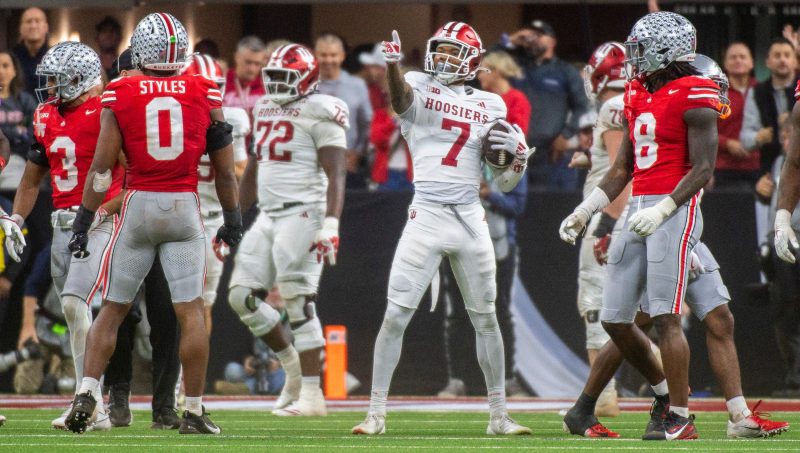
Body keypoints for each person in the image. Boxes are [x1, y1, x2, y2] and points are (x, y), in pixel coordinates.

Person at [563, 55, 789, 440]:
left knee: (718, 317)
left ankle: (738, 416)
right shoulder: (668, 102)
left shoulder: (670, 105)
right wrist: (596, 214)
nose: (717, 96)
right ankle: (667, 406)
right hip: (657, 221)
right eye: (714, 87)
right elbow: (643, 170)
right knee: (640, 319)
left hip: (675, 224)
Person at [63, 12, 242, 435]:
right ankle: (193, 411)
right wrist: (233, 219)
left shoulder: (120, 90)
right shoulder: (203, 88)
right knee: (190, 311)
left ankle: (87, 392)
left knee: (113, 309)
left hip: (138, 204)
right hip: (183, 206)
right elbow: (225, 171)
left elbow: (101, 169)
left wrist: (84, 220)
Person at [352, 23, 534, 436]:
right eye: (442, 49)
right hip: (427, 213)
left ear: (473, 60)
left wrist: (517, 160)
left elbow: (505, 183)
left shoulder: (492, 104)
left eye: (455, 52)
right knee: (395, 314)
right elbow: (401, 101)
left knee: (486, 319)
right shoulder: (416, 83)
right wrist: (394, 66)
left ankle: (499, 416)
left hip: (470, 216)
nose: (446, 58)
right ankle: (375, 414)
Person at [559, 12, 718, 440]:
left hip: (674, 207)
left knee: (665, 316)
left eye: (641, 48)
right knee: (615, 318)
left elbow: (704, 168)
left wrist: (664, 209)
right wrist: (586, 210)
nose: (634, 58)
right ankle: (666, 395)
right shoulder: (635, 92)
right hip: (638, 208)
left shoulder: (694, 91)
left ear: (668, 50)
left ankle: (679, 417)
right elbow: (621, 168)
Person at [8, 41, 122, 431]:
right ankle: (94, 404)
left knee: (74, 303)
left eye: (60, 80)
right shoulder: (45, 115)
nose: (52, 88)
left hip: (98, 220)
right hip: (61, 221)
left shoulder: (107, 111)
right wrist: (16, 218)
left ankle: (88, 401)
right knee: (73, 314)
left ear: (82, 79)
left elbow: (133, 177)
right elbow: (31, 178)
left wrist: (103, 211)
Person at [228, 43, 347, 417]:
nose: (278, 84)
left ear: (307, 79)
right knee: (241, 296)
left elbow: (337, 173)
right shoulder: (264, 106)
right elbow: (254, 167)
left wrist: (331, 222)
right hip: (268, 214)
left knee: (298, 300)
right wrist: (233, 219)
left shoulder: (322, 109)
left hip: (304, 213)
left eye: (286, 77)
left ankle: (312, 396)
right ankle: (293, 369)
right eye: (274, 76)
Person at [100, 48, 182, 430]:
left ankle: (165, 404)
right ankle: (118, 392)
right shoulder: (109, 109)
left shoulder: (164, 110)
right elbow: (101, 168)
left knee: (167, 313)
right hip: (122, 224)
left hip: (159, 217)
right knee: (120, 312)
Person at [569, 41, 628, 417]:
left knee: (593, 304)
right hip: (634, 214)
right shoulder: (638, 101)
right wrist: (591, 159)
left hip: (611, 214)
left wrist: (608, 223)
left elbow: (623, 172)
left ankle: (603, 396)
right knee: (635, 311)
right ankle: (664, 375)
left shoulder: (613, 106)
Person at [182, 54, 250, 332]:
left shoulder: (167, 116)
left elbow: (241, 172)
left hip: (202, 219)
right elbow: (240, 172)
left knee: (200, 304)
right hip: (186, 217)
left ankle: (188, 366)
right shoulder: (231, 119)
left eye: (215, 87)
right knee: (192, 304)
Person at [496, 19, 588, 189]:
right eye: (532, 34)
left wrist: (566, 135)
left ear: (552, 41)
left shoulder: (565, 71)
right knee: (512, 198)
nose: (534, 38)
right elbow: (488, 64)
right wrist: (511, 40)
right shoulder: (517, 67)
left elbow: (581, 106)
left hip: (549, 153)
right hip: (515, 151)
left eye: (540, 35)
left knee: (545, 202)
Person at [315, 33, 373, 188]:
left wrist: (358, 153)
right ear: (316, 56)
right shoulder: (307, 85)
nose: (328, 60)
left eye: (333, 55)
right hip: (312, 166)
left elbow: (366, 123)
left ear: (342, 56)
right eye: (323, 55)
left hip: (347, 164)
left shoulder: (357, 85)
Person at [715, 42, 759, 189]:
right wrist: (727, 143)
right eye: (733, 57)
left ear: (752, 62)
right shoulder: (716, 93)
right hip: (722, 168)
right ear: (725, 64)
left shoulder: (762, 90)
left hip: (758, 168)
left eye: (742, 57)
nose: (738, 60)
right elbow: (703, 130)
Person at [223, 35, 267, 115]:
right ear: (237, 57)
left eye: (257, 64)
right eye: (248, 62)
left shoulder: (266, 87)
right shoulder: (221, 83)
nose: (252, 69)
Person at [12, 7, 49, 97]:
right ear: (20, 28)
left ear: (46, 27)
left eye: (37, 21)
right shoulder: (11, 59)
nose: (33, 26)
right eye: (28, 21)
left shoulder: (58, 58)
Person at [94, 16, 123, 81]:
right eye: (104, 31)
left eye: (112, 31)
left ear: (120, 38)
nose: (108, 35)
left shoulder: (127, 66)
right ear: (97, 39)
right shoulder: (90, 67)